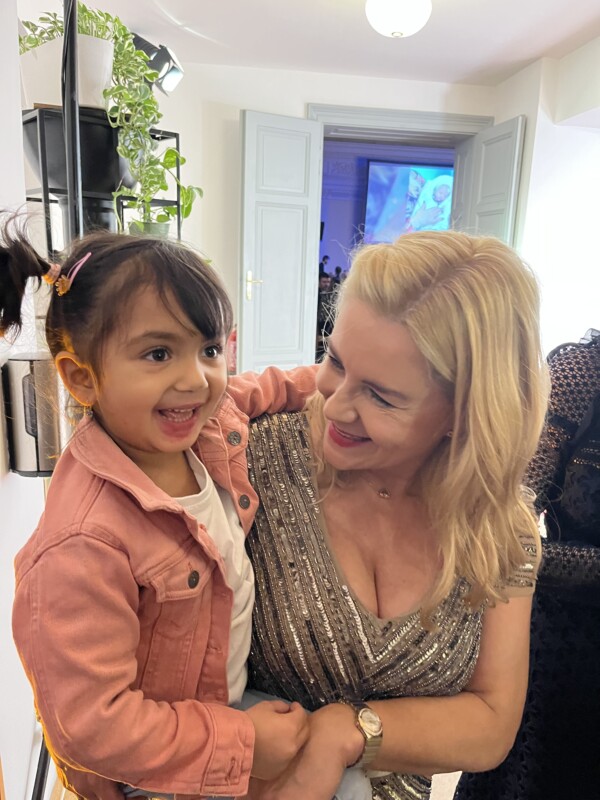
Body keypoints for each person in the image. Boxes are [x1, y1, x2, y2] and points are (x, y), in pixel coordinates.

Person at [2, 224, 328, 800]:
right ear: (81, 378)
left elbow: (267, 387)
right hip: (156, 774)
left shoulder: (203, 425)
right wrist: (243, 742)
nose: (195, 379)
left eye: (209, 349)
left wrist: (347, 376)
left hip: (220, 705)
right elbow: (91, 725)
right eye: (158, 354)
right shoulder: (84, 541)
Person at [242, 230, 549, 800]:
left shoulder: (498, 529)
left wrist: (348, 732)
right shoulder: (255, 460)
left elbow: (492, 723)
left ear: (463, 413)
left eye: (381, 397)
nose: (334, 404)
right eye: (334, 360)